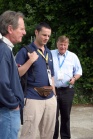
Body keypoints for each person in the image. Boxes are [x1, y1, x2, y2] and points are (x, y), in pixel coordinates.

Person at [15, 22, 57, 139]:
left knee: (48, 133)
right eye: (44, 35)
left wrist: (54, 94)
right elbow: (17, 73)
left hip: (49, 98)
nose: (46, 38)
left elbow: (51, 74)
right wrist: (30, 61)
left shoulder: (48, 52)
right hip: (32, 98)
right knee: (29, 134)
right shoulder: (25, 51)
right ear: (36, 32)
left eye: (48, 36)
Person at [0, 10, 26, 139]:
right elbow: (2, 82)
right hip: (8, 111)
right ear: (10, 29)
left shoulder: (4, 49)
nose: (24, 32)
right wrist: (13, 104)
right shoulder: (4, 50)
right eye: (21, 28)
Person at [51, 35, 82, 139]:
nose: (62, 46)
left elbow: (79, 71)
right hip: (53, 90)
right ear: (57, 44)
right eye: (61, 44)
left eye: (65, 44)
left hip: (67, 91)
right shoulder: (50, 54)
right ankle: (53, 137)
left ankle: (65, 137)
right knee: (53, 117)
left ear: (68, 45)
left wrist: (74, 78)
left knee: (66, 117)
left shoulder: (73, 56)